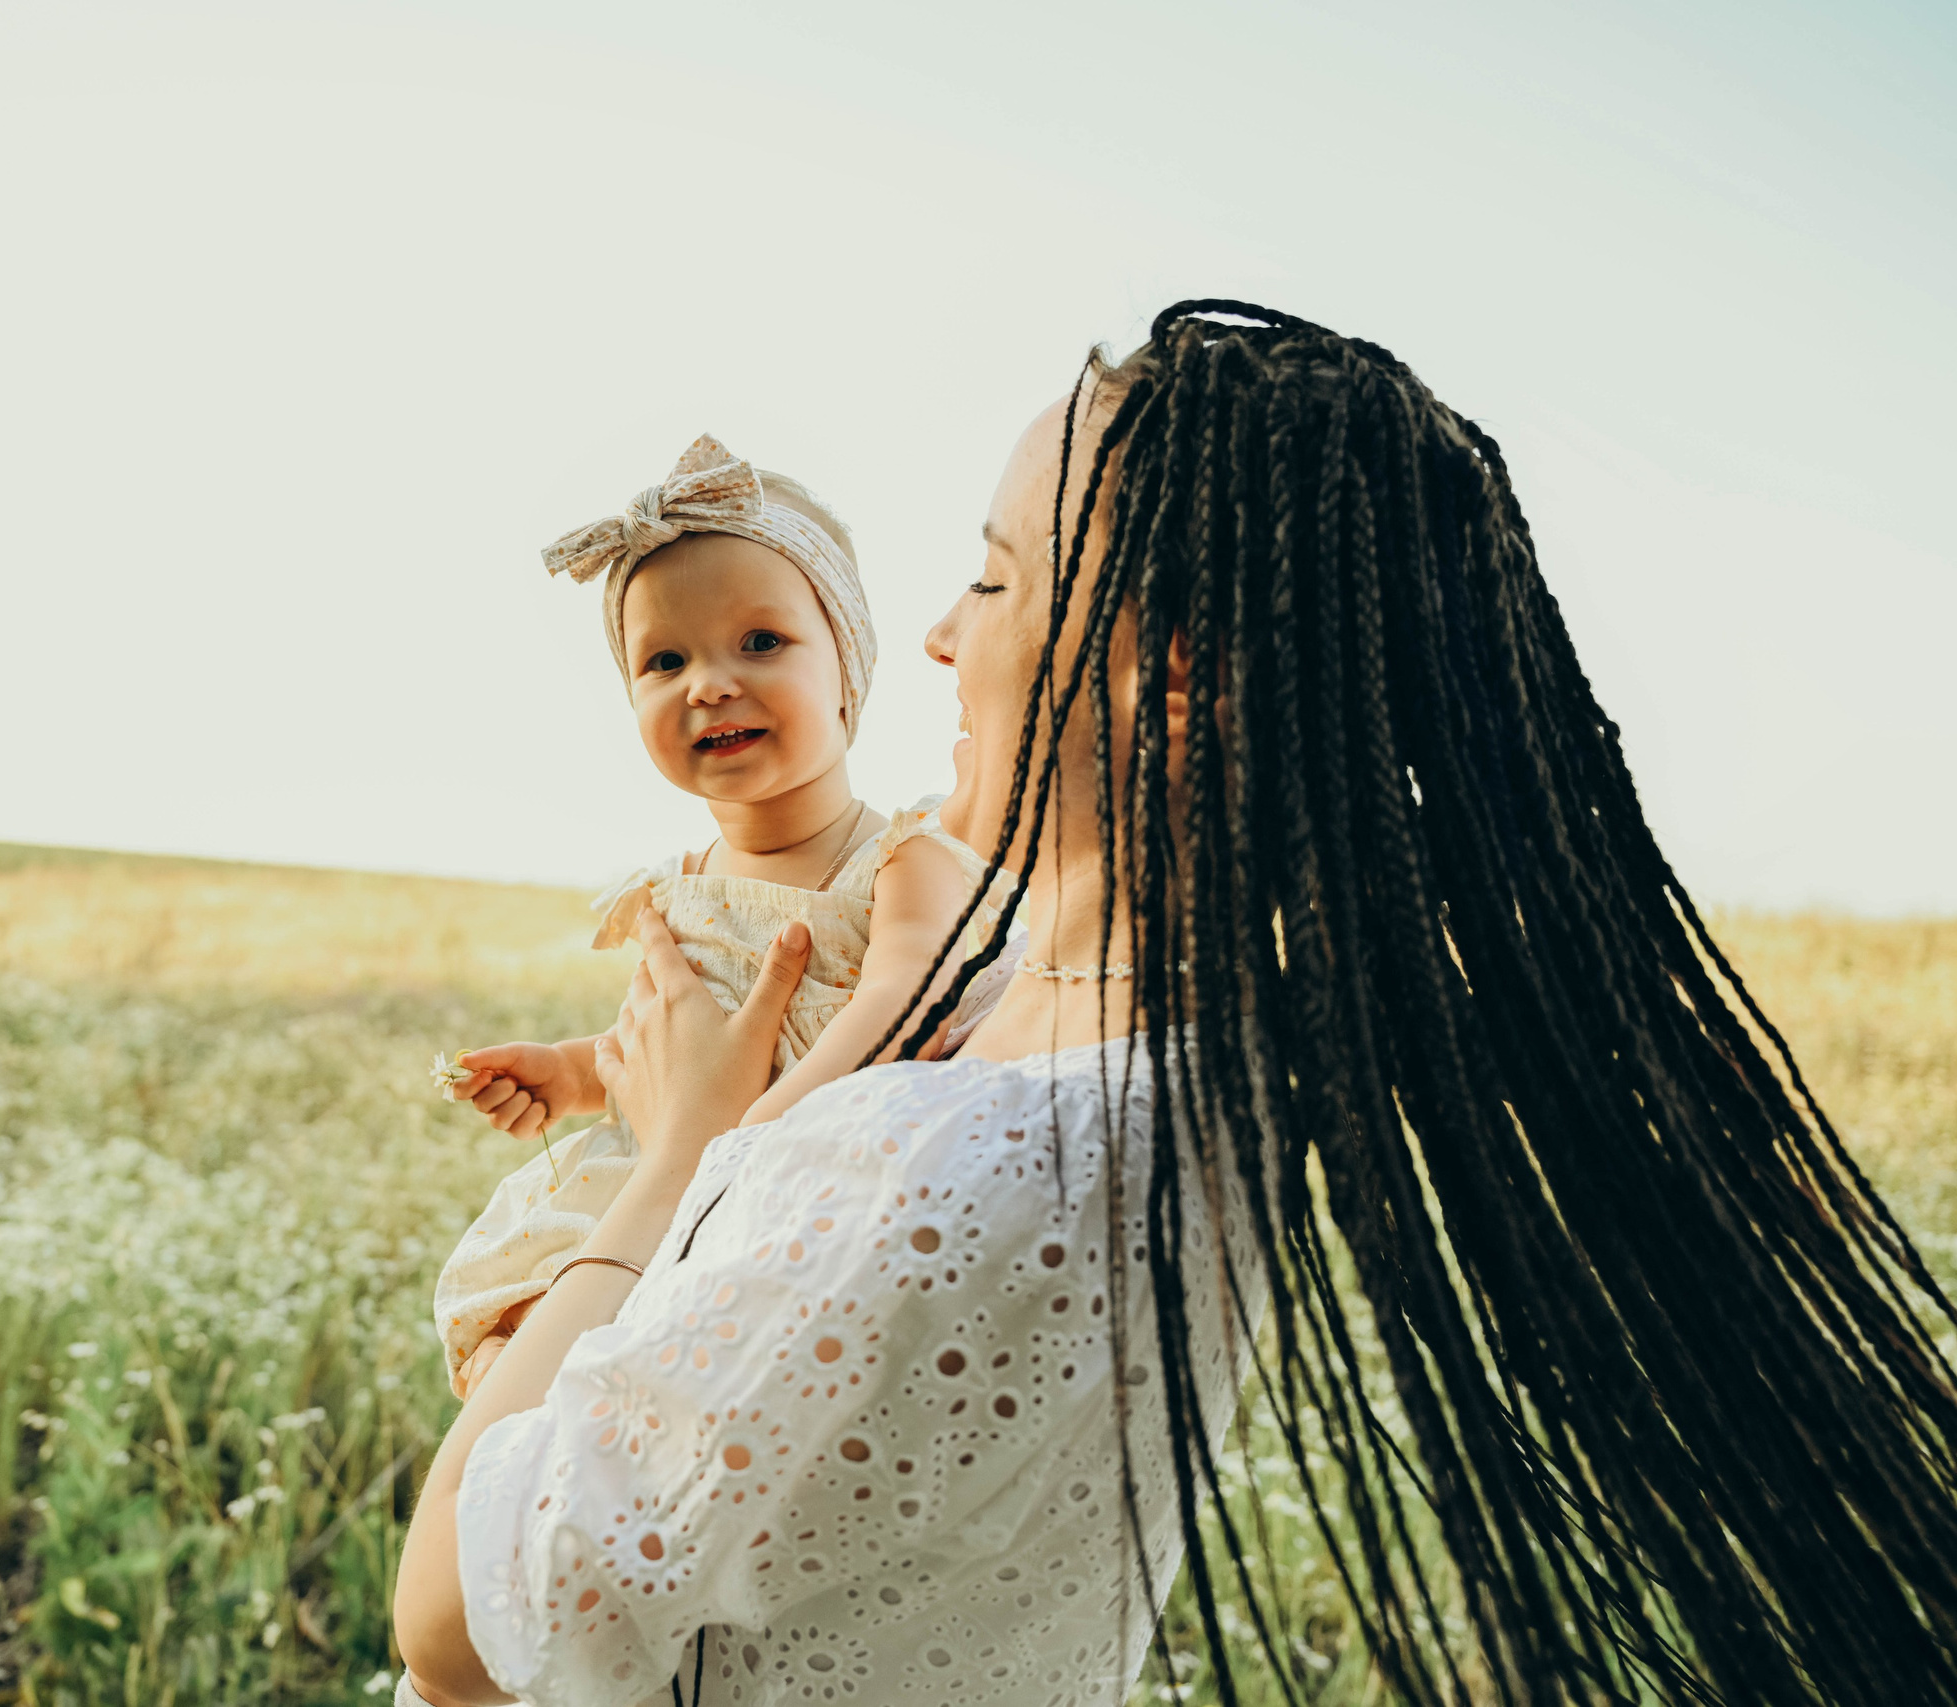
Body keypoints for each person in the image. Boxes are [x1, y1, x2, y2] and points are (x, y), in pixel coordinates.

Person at [395, 303, 1957, 1707]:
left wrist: (671, 1155)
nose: (941, 631)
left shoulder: (965, 1166)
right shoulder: (1221, 1067)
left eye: (995, 576)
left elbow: (452, 1627)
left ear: (1182, 677)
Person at [432, 433, 1012, 1401]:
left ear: (846, 665)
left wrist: (739, 1139)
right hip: (652, 1190)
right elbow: (657, 1051)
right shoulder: (677, 888)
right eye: (664, 660)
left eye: (760, 643)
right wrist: (570, 1071)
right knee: (518, 1348)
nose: (708, 682)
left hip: (782, 1203)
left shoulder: (901, 859)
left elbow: (901, 1003)